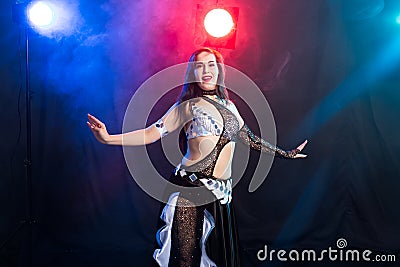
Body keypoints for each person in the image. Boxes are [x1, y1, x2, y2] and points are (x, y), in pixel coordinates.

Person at [87, 47, 307, 267]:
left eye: (211, 64)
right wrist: (108, 138)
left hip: (221, 194)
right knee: (185, 258)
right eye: (199, 66)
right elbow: (151, 133)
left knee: (215, 258)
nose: (205, 70)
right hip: (189, 190)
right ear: (192, 73)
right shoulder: (187, 106)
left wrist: (286, 153)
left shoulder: (230, 107)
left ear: (219, 71)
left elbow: (250, 139)